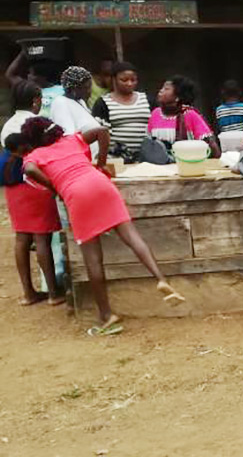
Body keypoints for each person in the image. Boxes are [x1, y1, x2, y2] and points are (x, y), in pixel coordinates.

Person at [20, 117, 184, 335]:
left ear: (32, 139)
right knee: (131, 235)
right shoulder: (72, 140)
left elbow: (29, 169)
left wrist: (53, 186)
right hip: (100, 183)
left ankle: (107, 316)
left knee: (93, 258)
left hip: (76, 194)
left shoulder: (36, 155)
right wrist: (100, 163)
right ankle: (161, 278)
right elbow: (101, 131)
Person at [1, 81, 63, 306]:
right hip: (35, 183)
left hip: (12, 185)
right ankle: (54, 293)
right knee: (42, 237)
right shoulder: (35, 123)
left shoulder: (8, 124)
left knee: (22, 237)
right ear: (36, 100)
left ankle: (29, 292)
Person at [148, 75, 222, 158]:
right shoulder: (155, 114)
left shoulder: (190, 115)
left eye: (166, 89)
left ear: (177, 97)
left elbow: (212, 148)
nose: (161, 91)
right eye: (162, 88)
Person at [91, 61, 150, 158]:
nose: (129, 83)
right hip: (116, 159)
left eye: (133, 80)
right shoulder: (103, 103)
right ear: (113, 79)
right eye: (124, 80)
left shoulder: (146, 99)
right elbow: (100, 134)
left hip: (145, 159)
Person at [48, 67, 103, 153]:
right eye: (86, 88)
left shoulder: (80, 101)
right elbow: (68, 137)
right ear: (74, 89)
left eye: (90, 87)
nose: (89, 91)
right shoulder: (61, 103)